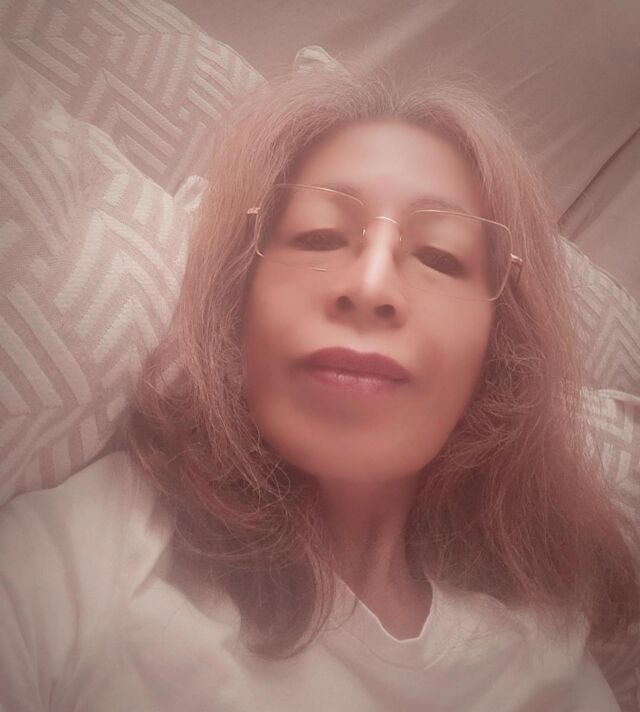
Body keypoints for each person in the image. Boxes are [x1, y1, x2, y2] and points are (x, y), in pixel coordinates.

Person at [1, 67, 638, 711]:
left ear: (496, 353)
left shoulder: (549, 665)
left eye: (440, 256)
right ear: (239, 302)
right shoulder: (76, 563)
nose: (370, 284)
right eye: (320, 236)